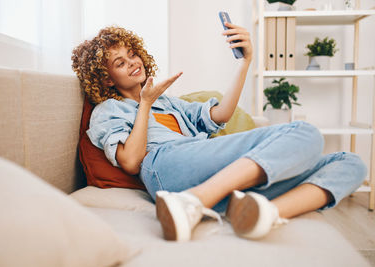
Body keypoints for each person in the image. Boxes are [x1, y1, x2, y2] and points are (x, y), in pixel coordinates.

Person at [71, 23, 367, 242]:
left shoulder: (170, 103)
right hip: (165, 166)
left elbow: (220, 115)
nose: (133, 62)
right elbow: (132, 162)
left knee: (349, 163)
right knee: (305, 133)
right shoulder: (109, 111)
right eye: (119, 63)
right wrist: (145, 104)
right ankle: (193, 200)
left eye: (132, 54)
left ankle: (262, 215)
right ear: (106, 79)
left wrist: (246, 62)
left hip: (208, 169)